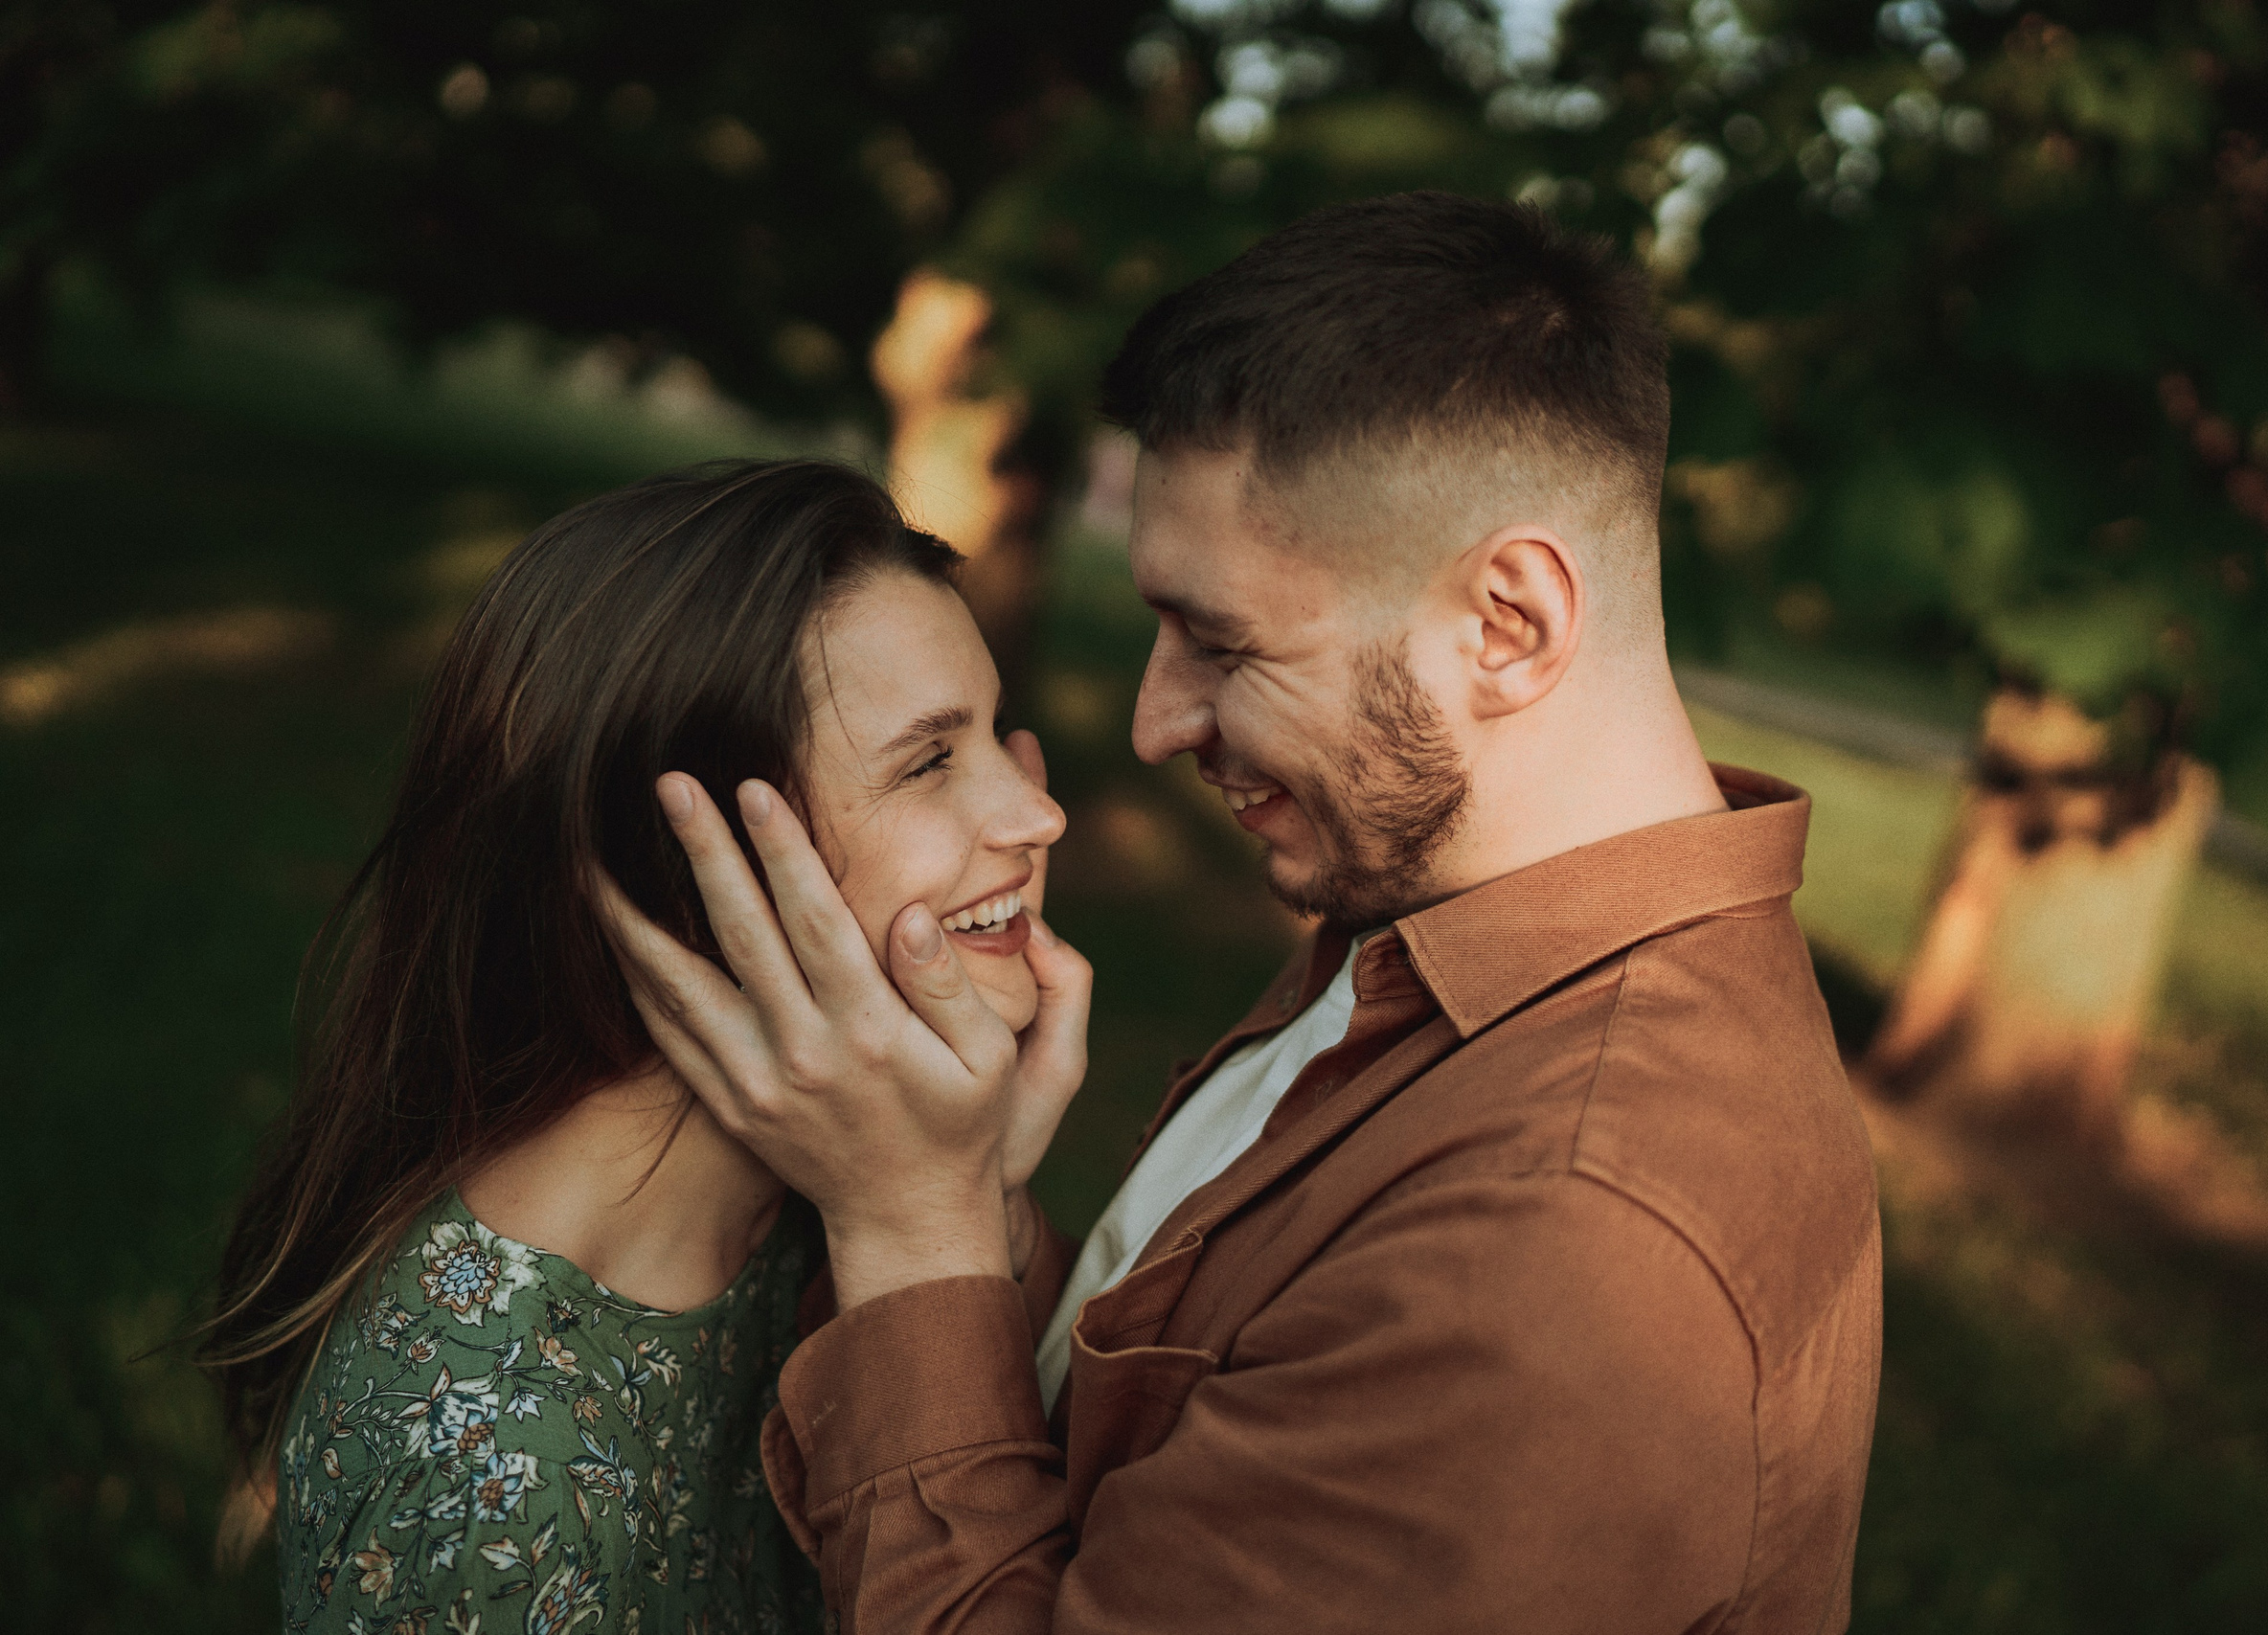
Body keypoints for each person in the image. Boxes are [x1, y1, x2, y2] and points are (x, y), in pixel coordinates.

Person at [609, 192, 1882, 1632]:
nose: (1152, 722)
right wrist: (973, 1203)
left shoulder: (1558, 1248)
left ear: (1508, 623)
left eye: (1223, 642)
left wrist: (910, 1225)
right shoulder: (1433, 920)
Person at [200, 461, 1073, 1632]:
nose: (1036, 815)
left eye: (991, 738)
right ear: (686, 869)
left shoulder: (824, 1188)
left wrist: (971, 1207)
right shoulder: (493, 1480)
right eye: (929, 761)